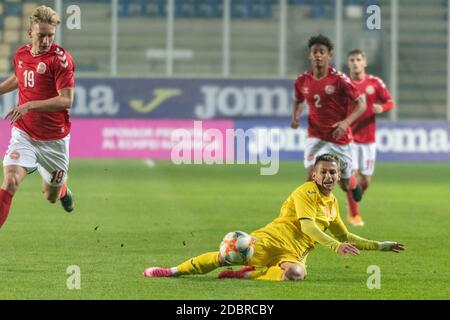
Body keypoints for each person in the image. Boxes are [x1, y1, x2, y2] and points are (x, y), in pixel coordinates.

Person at [143, 154, 404, 281]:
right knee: (225, 256)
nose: (328, 176)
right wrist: (335, 246)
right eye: (323, 172)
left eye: (332, 173)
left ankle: (247, 275)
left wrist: (381, 245)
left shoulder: (333, 204)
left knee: (297, 275)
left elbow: (345, 236)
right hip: (270, 240)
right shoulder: (306, 191)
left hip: (293, 254)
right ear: (314, 175)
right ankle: (171, 271)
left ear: (338, 176)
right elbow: (308, 226)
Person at [0, 5, 75, 229]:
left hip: (54, 140)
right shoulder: (21, 54)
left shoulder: (61, 60)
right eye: (41, 35)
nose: (45, 40)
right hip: (24, 132)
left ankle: (61, 190)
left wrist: (29, 105)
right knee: (11, 180)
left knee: (49, 196)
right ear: (30, 32)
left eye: (50, 35)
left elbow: (66, 100)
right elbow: (19, 77)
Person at [290, 35, 365, 204]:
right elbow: (298, 100)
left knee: (344, 184)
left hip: (338, 137)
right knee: (311, 176)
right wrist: (295, 117)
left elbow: (361, 105)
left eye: (321, 52)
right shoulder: (302, 80)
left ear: (329, 56)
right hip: (315, 135)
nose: (317, 55)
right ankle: (309, 213)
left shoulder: (339, 80)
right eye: (314, 52)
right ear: (310, 55)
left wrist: (345, 123)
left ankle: (352, 182)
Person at [346, 49, 395, 227]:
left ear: (364, 62)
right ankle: (354, 214)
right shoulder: (344, 84)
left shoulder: (375, 83)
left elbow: (390, 102)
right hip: (349, 138)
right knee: (353, 176)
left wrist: (382, 108)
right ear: (348, 63)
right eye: (352, 60)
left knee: (364, 181)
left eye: (358, 59)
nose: (355, 63)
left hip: (368, 140)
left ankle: (352, 194)